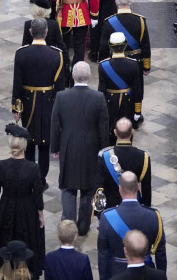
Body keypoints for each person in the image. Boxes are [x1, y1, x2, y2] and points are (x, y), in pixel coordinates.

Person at [50, 61, 109, 236]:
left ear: (73, 76)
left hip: (68, 147)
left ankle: (68, 225)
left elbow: (55, 124)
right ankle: (83, 227)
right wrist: (104, 151)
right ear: (89, 77)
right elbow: (103, 128)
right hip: (91, 149)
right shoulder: (98, 97)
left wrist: (55, 147)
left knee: (68, 187)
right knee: (88, 188)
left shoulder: (61, 96)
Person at [12, 17, 65, 186]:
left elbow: (17, 85)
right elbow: (60, 88)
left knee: (28, 141)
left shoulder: (21, 53)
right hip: (48, 104)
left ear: (30, 32)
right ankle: (41, 179)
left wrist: (17, 109)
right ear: (47, 33)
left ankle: (29, 176)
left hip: (27, 104)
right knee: (44, 144)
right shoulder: (57, 54)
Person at [0, 124, 44, 279]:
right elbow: (38, 196)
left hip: (6, 207)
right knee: (27, 241)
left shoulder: (1, 166)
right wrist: (40, 215)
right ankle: (26, 272)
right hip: (27, 209)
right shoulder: (33, 168)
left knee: (4, 240)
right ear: (24, 146)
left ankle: (4, 272)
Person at [97, 172, 166, 279]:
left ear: (120, 188)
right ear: (137, 187)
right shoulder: (153, 216)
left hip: (117, 273)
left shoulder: (106, 218)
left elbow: (103, 255)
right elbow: (160, 253)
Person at [95, 117, 152, 208]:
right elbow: (146, 188)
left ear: (115, 132)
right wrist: (146, 210)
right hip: (134, 208)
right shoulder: (143, 156)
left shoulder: (104, 156)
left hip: (110, 209)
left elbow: (99, 187)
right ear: (132, 132)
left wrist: (99, 212)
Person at [98, 32, 143, 137]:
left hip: (109, 103)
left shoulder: (103, 65)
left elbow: (101, 91)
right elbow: (137, 89)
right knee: (126, 133)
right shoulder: (133, 64)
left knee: (110, 133)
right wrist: (137, 111)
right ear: (125, 45)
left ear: (110, 46)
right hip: (128, 103)